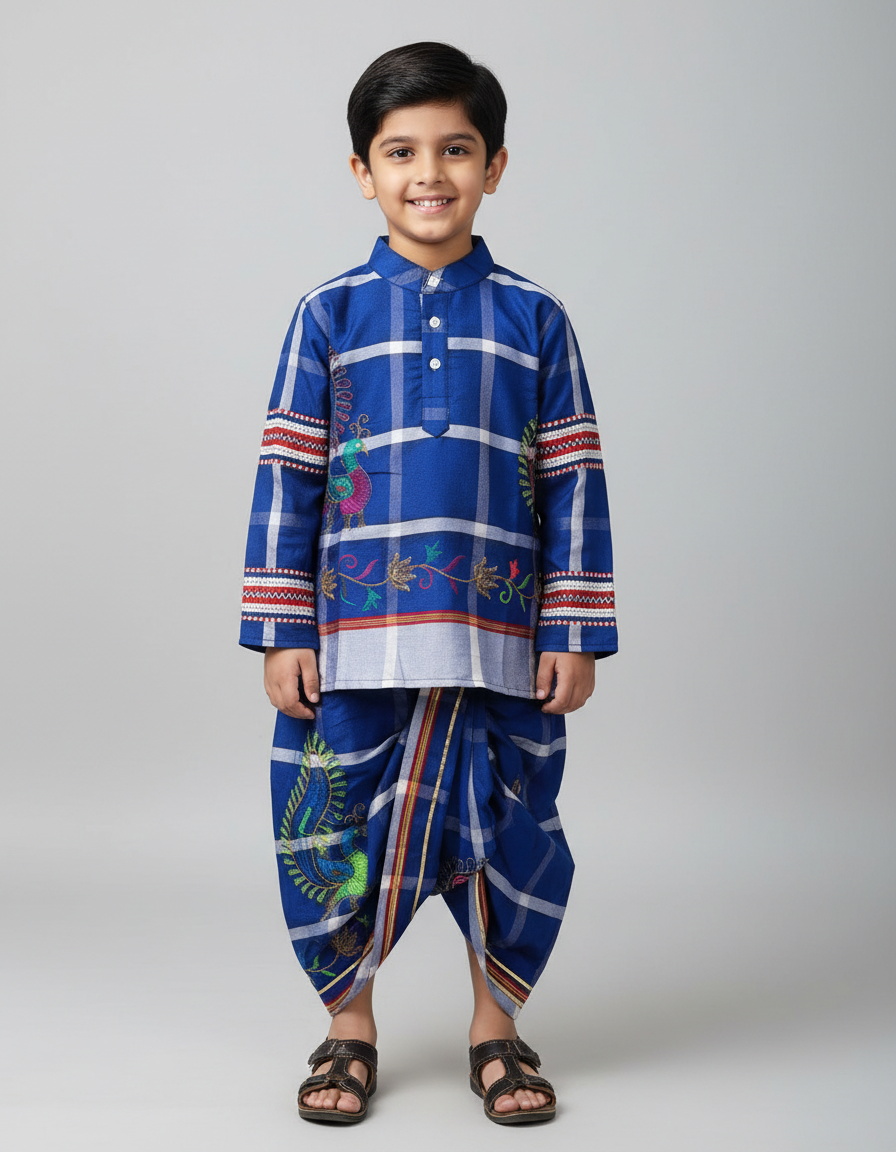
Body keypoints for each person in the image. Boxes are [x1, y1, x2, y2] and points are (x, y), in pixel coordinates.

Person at [239, 41, 617, 1125]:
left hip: (500, 633)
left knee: (511, 823)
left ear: (493, 166)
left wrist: (573, 628)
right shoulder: (328, 312)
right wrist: (282, 627)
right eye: (400, 151)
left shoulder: (536, 317)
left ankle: (496, 1028)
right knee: (329, 823)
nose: (428, 173)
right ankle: (348, 1026)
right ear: (362, 172)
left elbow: (574, 477)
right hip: (353, 635)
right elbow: (289, 472)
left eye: (455, 149)